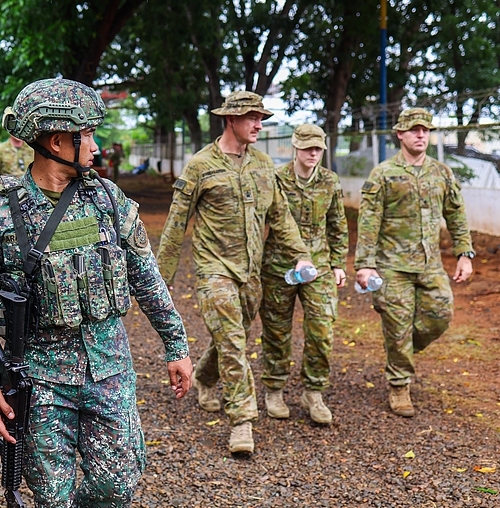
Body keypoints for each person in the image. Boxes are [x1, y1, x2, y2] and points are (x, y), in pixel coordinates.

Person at [0, 78, 192, 507]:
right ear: (56, 140)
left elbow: (146, 275)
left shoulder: (109, 199)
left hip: (109, 368)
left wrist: (175, 344)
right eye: (85, 134)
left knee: (118, 483)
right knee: (53, 496)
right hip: (40, 377)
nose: (94, 145)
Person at [157, 91, 313, 454]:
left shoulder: (263, 165)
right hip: (214, 271)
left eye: (262, 118)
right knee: (233, 341)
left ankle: (206, 378)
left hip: (251, 274)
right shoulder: (201, 165)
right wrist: (162, 276)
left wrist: (302, 256)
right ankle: (242, 421)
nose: (259, 125)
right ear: (231, 120)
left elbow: (281, 218)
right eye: (251, 118)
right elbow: (177, 223)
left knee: (232, 339)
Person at [355, 107, 473, 417]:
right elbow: (369, 221)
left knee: (440, 315)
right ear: (400, 134)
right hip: (392, 266)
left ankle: (401, 352)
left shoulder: (441, 173)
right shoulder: (383, 174)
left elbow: (456, 215)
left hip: (430, 263)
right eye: (414, 130)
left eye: (426, 130)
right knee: (397, 326)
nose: (421, 134)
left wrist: (464, 253)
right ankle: (399, 385)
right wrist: (365, 264)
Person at [259, 124, 348, 425]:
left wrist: (338, 263)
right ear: (295, 147)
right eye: (307, 147)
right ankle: (274, 388)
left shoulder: (329, 181)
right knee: (276, 330)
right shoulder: (277, 179)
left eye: (318, 149)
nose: (313, 153)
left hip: (319, 266)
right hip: (278, 266)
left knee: (322, 328)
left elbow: (338, 224)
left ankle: (314, 390)